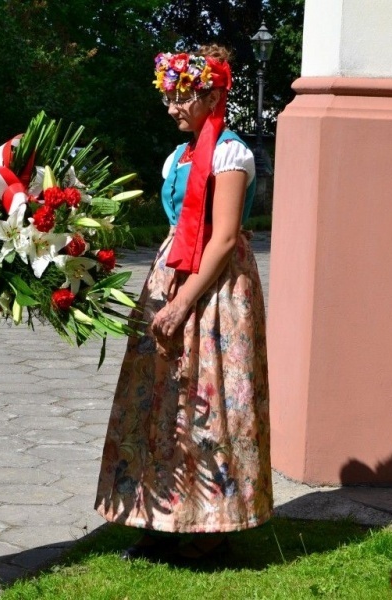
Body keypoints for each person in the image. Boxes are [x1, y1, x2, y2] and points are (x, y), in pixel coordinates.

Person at [94, 45, 272, 561]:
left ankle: (210, 527)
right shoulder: (180, 155)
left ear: (213, 96)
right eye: (168, 96)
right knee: (160, 397)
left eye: (182, 97)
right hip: (172, 272)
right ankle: (157, 516)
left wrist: (182, 304)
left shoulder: (230, 152)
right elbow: (180, 225)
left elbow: (224, 236)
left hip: (216, 288)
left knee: (210, 399)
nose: (172, 106)